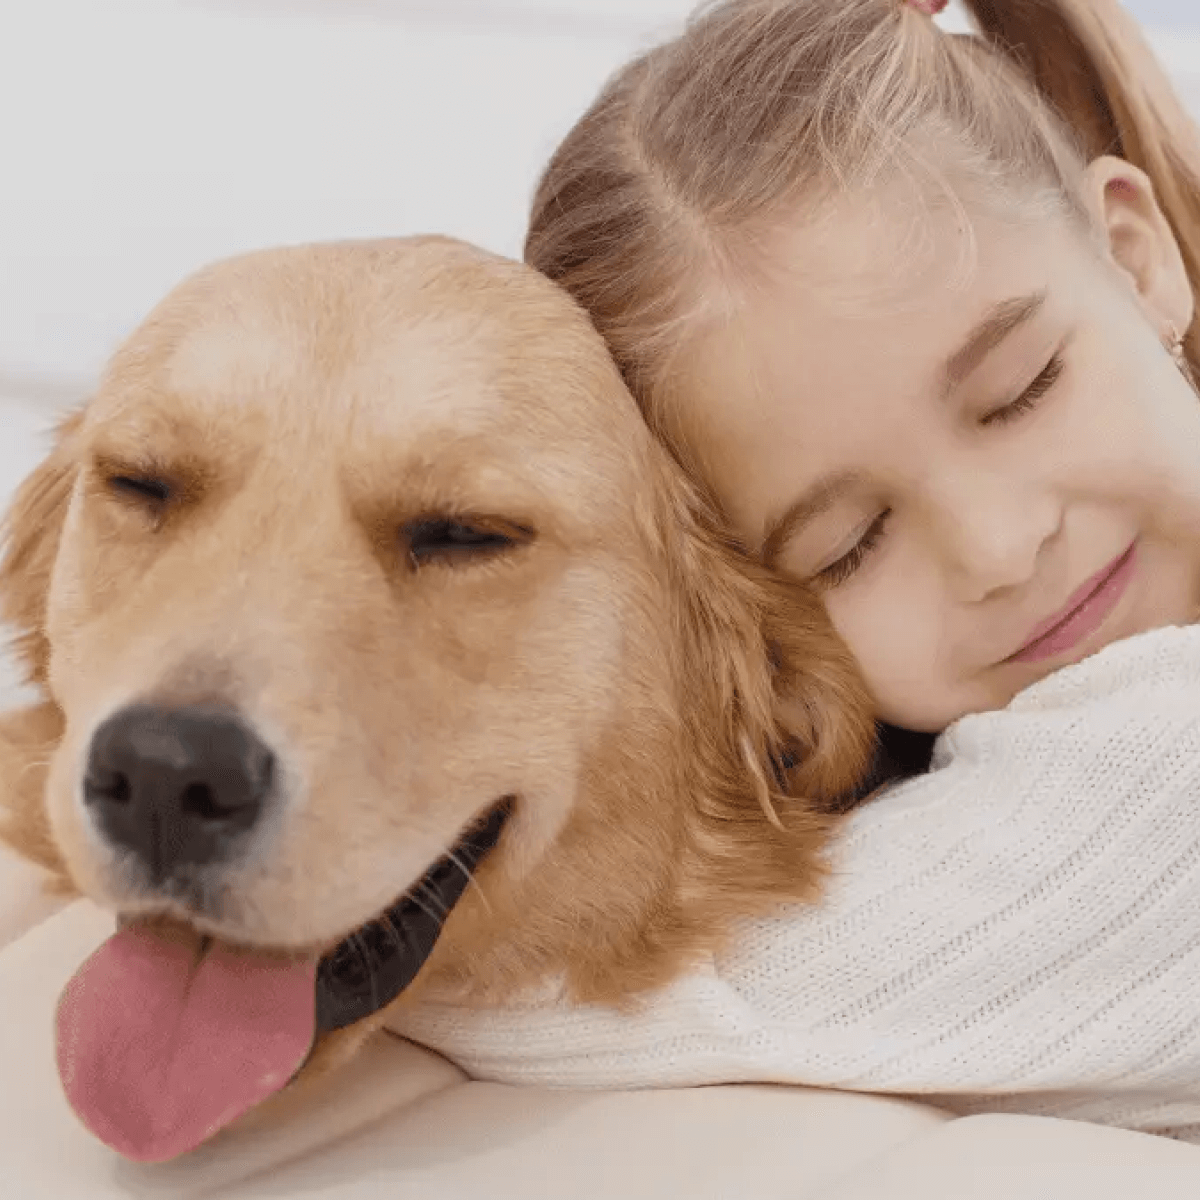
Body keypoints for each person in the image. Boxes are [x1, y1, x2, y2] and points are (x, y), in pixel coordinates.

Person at [390, 0, 1200, 1141]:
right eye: (848, 547)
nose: (997, 548)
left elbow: (625, 983)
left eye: (1021, 391)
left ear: (1134, 254)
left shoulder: (1165, 769)